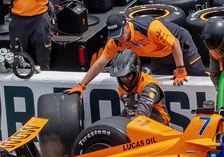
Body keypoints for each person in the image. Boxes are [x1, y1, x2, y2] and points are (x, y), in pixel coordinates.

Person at [65, 15, 203, 96]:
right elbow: (100, 63)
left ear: (126, 26)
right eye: (115, 37)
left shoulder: (150, 28)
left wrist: (180, 69)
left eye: (121, 35)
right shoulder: (115, 42)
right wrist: (82, 85)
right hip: (157, 54)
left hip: (180, 45)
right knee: (158, 83)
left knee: (197, 75)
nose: (120, 40)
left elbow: (175, 44)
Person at [109, 49, 171, 125]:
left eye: (127, 75)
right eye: (121, 76)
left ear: (136, 71)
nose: (124, 79)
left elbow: (142, 113)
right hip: (138, 125)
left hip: (159, 127)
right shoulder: (121, 87)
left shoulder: (149, 86)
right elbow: (129, 110)